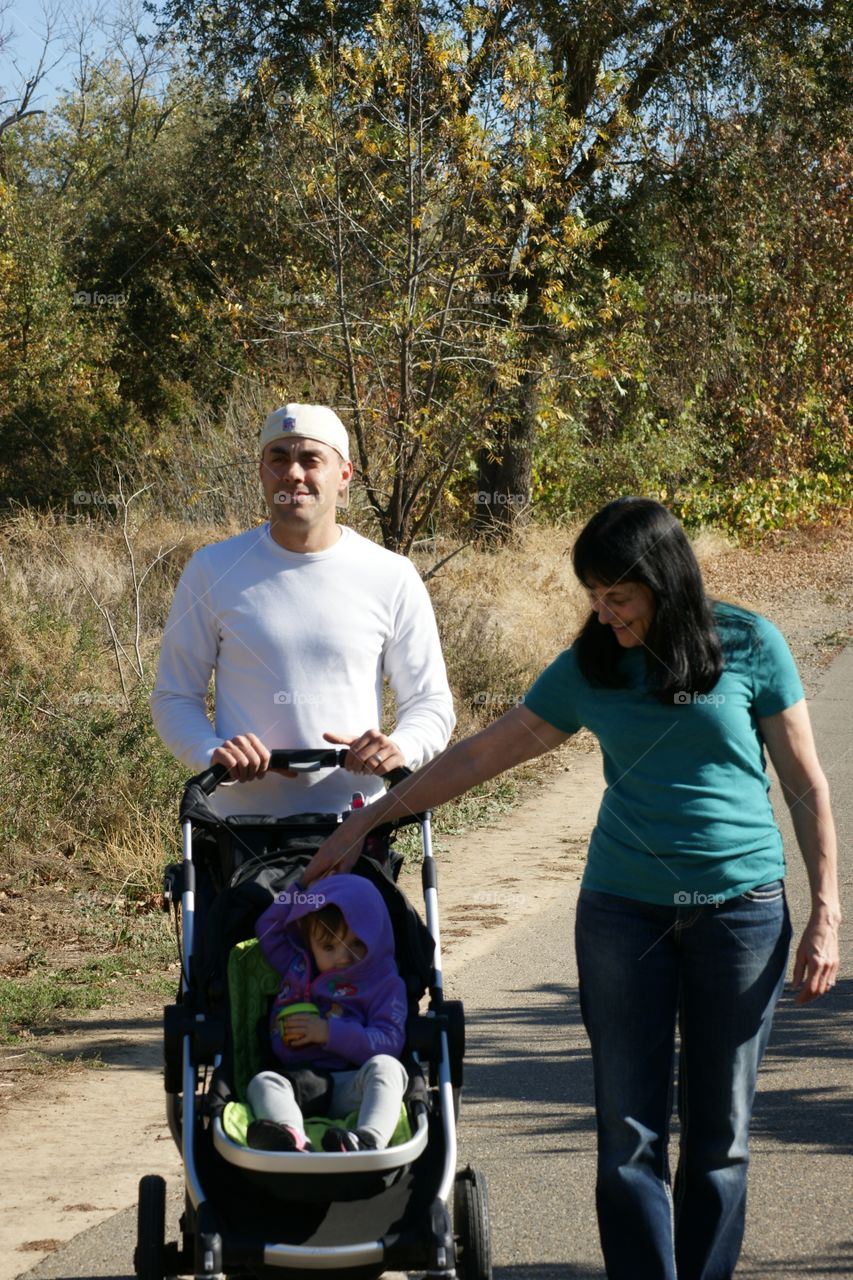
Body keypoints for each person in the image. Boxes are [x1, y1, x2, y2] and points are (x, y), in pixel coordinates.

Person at [298, 497, 841, 1279]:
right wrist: (370, 818)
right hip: (621, 914)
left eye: (617, 596)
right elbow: (485, 753)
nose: (603, 612)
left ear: (663, 581)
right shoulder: (591, 664)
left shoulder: (750, 644)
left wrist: (826, 908)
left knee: (720, 1135)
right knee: (627, 1133)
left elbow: (804, 785)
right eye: (592, 595)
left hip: (740, 914)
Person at [151, 403, 454, 816]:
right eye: (279, 458)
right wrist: (212, 753)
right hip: (237, 834)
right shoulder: (212, 569)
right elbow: (174, 696)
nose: (292, 473)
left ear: (344, 475)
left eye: (311, 459)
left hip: (358, 829)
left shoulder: (392, 575)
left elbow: (430, 702)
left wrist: (399, 748)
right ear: (262, 471)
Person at [246, 873, 409, 1152]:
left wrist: (327, 1032)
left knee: (388, 1069)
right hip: (300, 1082)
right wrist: (300, 887)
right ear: (309, 943)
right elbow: (268, 925)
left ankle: (367, 1139)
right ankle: (293, 1136)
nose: (343, 956)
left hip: (353, 1083)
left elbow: (389, 1041)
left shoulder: (383, 981)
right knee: (263, 1082)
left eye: (357, 943)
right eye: (329, 947)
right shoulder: (298, 964)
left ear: (377, 938)